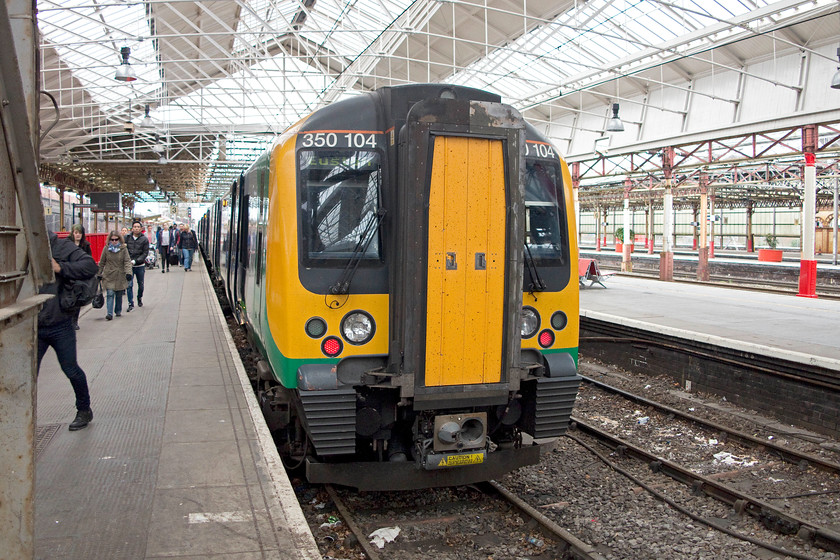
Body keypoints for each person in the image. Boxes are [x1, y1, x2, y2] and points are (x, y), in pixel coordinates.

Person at [38, 231, 98, 431]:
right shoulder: (19, 248)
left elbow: (90, 265)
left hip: (59, 322)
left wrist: (60, 267)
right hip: (32, 327)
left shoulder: (59, 246)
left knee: (70, 368)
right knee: (28, 375)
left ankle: (84, 410)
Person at [97, 231, 132, 320]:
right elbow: (102, 262)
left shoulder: (123, 249)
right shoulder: (106, 249)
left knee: (119, 294)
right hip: (109, 275)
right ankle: (109, 313)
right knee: (110, 293)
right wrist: (99, 273)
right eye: (112, 239)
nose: (114, 241)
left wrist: (128, 273)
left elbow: (127, 261)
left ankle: (118, 310)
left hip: (120, 274)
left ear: (119, 239)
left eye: (116, 239)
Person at [69, 224, 92, 330]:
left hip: (80, 275)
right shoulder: (67, 244)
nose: (78, 235)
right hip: (69, 274)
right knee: (69, 298)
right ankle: (68, 320)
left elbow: (89, 259)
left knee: (78, 299)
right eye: (76, 233)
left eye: (79, 233)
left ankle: (74, 321)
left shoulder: (86, 245)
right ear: (72, 233)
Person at [124, 219, 149, 310]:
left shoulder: (144, 239)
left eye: (138, 227)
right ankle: (130, 303)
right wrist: (127, 261)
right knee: (129, 284)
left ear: (141, 228)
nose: (136, 229)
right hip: (129, 266)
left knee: (140, 284)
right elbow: (123, 249)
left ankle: (139, 297)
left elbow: (145, 253)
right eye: (135, 227)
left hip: (140, 265)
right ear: (132, 228)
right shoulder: (127, 238)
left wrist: (137, 261)